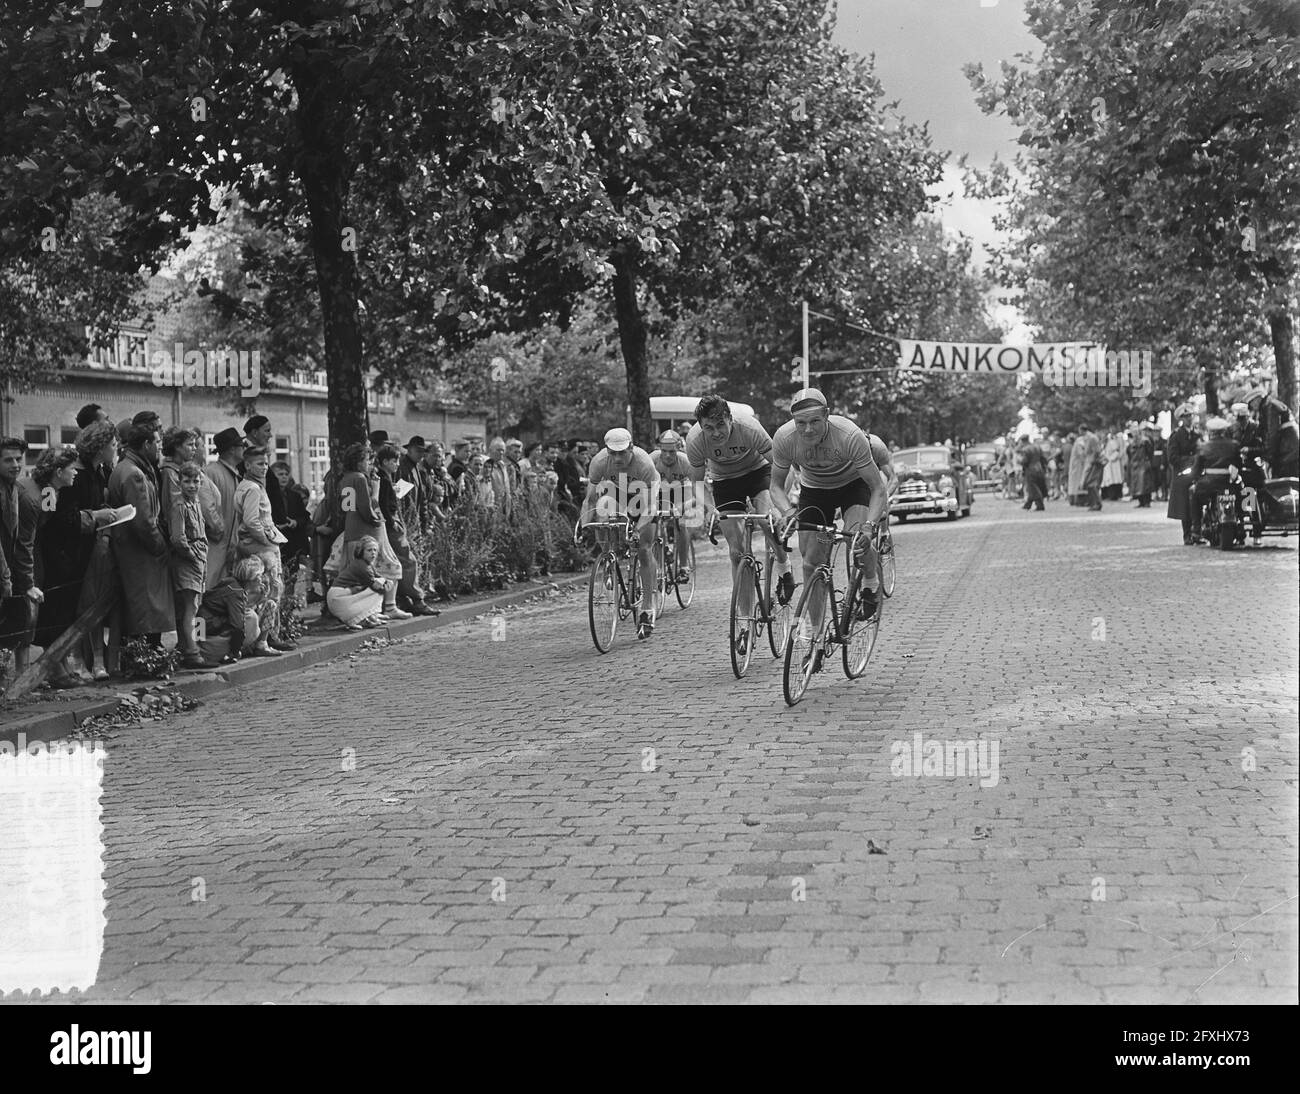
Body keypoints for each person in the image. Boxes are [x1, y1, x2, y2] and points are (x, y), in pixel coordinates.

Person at [769, 389, 888, 674]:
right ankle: (815, 636)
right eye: (801, 423)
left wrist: (870, 527)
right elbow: (775, 486)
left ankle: (870, 584)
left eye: (814, 421)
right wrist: (787, 513)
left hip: (853, 486)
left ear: (827, 416)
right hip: (816, 492)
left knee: (858, 540)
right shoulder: (784, 438)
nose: (807, 429)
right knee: (812, 561)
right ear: (793, 422)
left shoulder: (849, 435)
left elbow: (878, 488)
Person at [685, 394, 791, 641]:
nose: (716, 433)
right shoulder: (695, 441)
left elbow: (781, 469)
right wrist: (711, 509)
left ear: (730, 419)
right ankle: (744, 620)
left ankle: (785, 566)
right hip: (725, 481)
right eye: (709, 428)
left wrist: (779, 505)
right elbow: (697, 482)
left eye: (720, 425)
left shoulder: (749, 427)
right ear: (701, 426)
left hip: (758, 472)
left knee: (765, 520)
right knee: (736, 552)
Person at [29, 447, 119, 684]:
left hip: (60, 559)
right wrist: (93, 516)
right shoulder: (50, 493)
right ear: (58, 472)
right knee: (55, 614)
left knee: (62, 615)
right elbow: (55, 525)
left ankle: (61, 664)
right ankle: (55, 668)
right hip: (53, 561)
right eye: (70, 469)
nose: (75, 473)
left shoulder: (56, 490)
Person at [579, 427, 661, 639]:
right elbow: (590, 500)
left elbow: (651, 506)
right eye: (612, 453)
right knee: (602, 510)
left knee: (643, 548)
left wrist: (638, 529)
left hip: (644, 498)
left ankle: (647, 607)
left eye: (621, 453)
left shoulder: (644, 463)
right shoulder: (598, 462)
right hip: (618, 494)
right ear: (606, 450)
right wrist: (583, 526)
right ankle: (608, 558)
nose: (617, 458)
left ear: (631, 448)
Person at [106, 422, 173, 646]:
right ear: (146, 444)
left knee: (142, 608)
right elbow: (143, 520)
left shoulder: (130, 467)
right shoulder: (134, 473)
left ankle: (143, 654)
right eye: (157, 443)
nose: (160, 449)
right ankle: (145, 656)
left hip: (134, 550)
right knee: (146, 609)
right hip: (141, 553)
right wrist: (160, 546)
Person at [233, 444, 296, 651]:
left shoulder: (246, 485)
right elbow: (252, 521)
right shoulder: (252, 488)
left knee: (262, 591)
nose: (264, 468)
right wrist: (267, 541)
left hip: (255, 545)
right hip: (263, 547)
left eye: (266, 463)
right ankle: (266, 639)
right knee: (272, 591)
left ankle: (263, 637)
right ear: (248, 464)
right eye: (260, 464)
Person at [169, 462, 218, 669]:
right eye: (187, 481)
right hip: (189, 560)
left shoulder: (196, 502)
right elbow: (178, 538)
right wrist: (191, 555)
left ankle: (194, 646)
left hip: (200, 557)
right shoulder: (179, 504)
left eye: (196, 481)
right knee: (190, 606)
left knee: (197, 605)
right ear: (179, 482)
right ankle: (192, 652)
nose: (191, 485)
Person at [375, 444, 434, 616]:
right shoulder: (383, 478)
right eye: (394, 461)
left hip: (389, 524)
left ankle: (402, 598)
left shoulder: (384, 477)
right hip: (391, 525)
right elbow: (382, 504)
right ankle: (416, 598)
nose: (397, 465)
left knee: (397, 562)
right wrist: (392, 521)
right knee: (408, 560)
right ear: (385, 462)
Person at [197, 556, 278, 662]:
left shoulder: (233, 584)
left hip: (205, 628)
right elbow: (238, 625)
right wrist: (234, 653)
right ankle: (229, 652)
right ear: (251, 578)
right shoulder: (236, 591)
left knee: (260, 610)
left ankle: (252, 646)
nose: (261, 579)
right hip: (206, 634)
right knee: (251, 619)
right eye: (259, 575)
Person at [1186, 417, 1242, 544]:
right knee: (1241, 495)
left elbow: (1196, 469)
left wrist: (1193, 479)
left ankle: (1196, 529)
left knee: (1193, 493)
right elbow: (1238, 464)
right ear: (1224, 431)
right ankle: (1242, 520)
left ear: (1210, 432)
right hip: (1228, 483)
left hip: (1208, 484)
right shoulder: (1234, 445)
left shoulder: (1203, 446)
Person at [203, 428, 244, 590]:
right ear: (232, 449)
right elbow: (206, 509)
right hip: (214, 548)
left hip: (227, 548)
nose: (244, 449)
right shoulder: (211, 473)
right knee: (208, 591)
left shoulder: (233, 475)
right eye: (241, 445)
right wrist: (219, 532)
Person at [650, 430, 693, 584]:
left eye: (672, 451)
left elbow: (697, 493)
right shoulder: (652, 460)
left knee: (681, 522)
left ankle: (683, 566)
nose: (668, 455)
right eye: (664, 451)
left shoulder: (685, 462)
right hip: (659, 492)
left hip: (681, 491)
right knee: (652, 521)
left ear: (678, 449)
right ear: (659, 448)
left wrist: (682, 508)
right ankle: (663, 548)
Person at [328, 536, 396, 630]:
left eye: (375, 550)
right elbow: (377, 588)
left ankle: (369, 616)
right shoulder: (363, 567)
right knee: (376, 589)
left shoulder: (364, 563)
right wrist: (388, 585)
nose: (373, 553)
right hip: (339, 597)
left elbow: (378, 576)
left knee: (378, 583)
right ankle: (363, 617)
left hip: (341, 594)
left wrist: (385, 581)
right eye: (369, 550)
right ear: (361, 552)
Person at [1267, 398, 1298, 478]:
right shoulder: (1285, 431)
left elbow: (1294, 452)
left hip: (1291, 471)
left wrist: (1279, 463)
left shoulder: (1290, 431)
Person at [1075, 424, 1104, 510]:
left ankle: (1097, 503)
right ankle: (1093, 503)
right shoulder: (1088, 438)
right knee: (1088, 483)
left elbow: (1096, 451)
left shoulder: (1092, 438)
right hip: (1090, 462)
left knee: (1091, 483)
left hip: (1094, 463)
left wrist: (1092, 462)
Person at [1128, 423, 1155, 508]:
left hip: (1144, 463)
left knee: (1145, 484)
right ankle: (1141, 501)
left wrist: (1148, 461)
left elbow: (1150, 452)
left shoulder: (1145, 441)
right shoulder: (1132, 443)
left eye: (1136, 431)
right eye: (1133, 432)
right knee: (1137, 484)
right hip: (1135, 464)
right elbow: (1129, 453)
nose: (1135, 434)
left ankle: (1147, 501)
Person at [1019, 436, 1047, 511]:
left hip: (1031, 470)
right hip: (1039, 468)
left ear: (1022, 441)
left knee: (1033, 488)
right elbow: (1043, 458)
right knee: (1035, 487)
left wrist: (1020, 462)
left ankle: (1040, 505)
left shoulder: (1025, 449)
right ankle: (1028, 504)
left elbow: (1024, 461)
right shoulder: (1037, 447)